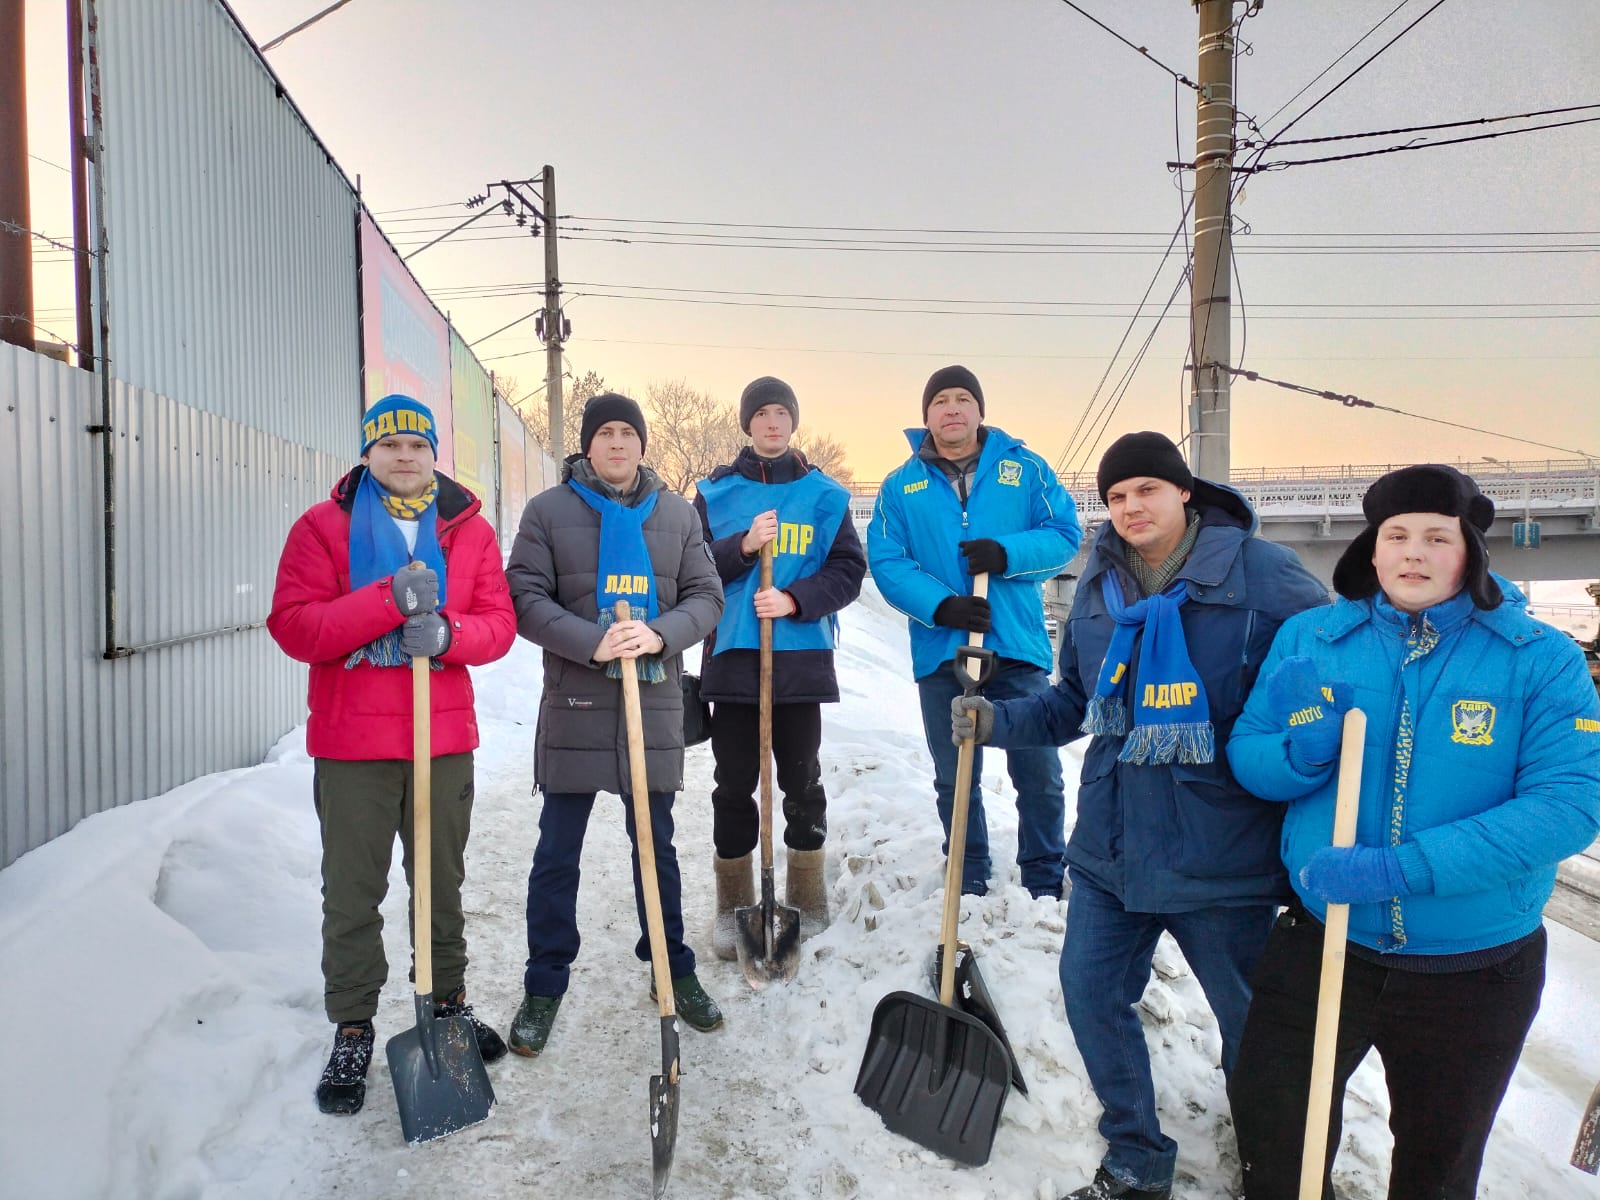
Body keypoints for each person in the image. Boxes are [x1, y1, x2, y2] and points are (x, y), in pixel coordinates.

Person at [952, 431, 1329, 1200]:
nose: (1130, 507)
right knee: (1091, 995)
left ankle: (1274, 1169)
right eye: (1117, 496)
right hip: (1111, 847)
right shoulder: (1099, 584)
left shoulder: (1262, 574)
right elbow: (1073, 702)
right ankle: (1136, 1158)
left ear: (1184, 491)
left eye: (1147, 490)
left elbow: (1323, 674)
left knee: (1255, 1028)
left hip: (1221, 852)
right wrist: (996, 721)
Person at [1225, 464, 1600, 1200]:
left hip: (1474, 970)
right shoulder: (1313, 639)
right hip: (1322, 941)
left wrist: (1399, 869)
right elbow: (1249, 752)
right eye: (1396, 536)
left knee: (1437, 1169)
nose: (1413, 553)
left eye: (1437, 537)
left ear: (1471, 552)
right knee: (1276, 1143)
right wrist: (1302, 752)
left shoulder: (1539, 658)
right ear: (1372, 549)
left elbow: (1569, 803)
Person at [267, 393, 516, 1116]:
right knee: (353, 890)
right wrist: (386, 600)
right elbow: (295, 626)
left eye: (418, 444)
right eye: (390, 444)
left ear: (434, 453)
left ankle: (447, 1003)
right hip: (353, 745)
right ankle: (353, 1023)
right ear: (368, 452)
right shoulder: (323, 527)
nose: (405, 456)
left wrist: (448, 634)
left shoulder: (468, 531)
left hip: (442, 741)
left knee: (441, 883)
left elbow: (499, 625)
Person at [503, 392, 727, 1056]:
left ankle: (671, 966)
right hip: (575, 702)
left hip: (651, 705)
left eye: (629, 432)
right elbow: (524, 596)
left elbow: (707, 596)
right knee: (557, 854)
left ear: (642, 444)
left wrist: (659, 635)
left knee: (656, 848)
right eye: (605, 433)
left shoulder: (677, 515)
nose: (618, 444)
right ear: (587, 444)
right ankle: (545, 982)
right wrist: (591, 642)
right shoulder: (548, 512)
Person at [867, 364, 1081, 899]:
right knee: (955, 773)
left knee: (1038, 769)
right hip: (944, 651)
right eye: (940, 401)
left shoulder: (1025, 469)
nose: (952, 409)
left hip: (1016, 645)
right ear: (926, 416)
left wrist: (1008, 553)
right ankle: (968, 870)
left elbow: (1064, 535)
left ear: (980, 410)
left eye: (963, 398)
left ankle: (1044, 874)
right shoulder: (900, 486)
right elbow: (888, 561)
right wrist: (943, 606)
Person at [693, 377, 866, 954]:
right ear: (747, 423)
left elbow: (848, 571)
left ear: (794, 421)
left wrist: (794, 599)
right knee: (733, 783)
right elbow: (693, 569)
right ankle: (732, 904)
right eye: (762, 413)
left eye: (782, 414)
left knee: (802, 779)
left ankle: (808, 896)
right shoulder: (716, 494)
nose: (772, 423)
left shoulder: (825, 496)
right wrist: (742, 548)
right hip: (734, 656)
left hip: (799, 661)